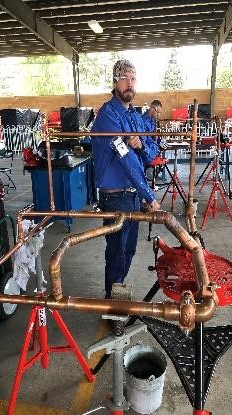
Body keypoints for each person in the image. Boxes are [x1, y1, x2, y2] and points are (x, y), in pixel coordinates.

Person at [91, 59, 160, 299]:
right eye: (124, 79)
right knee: (117, 253)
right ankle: (112, 302)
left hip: (132, 196)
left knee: (128, 251)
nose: (129, 84)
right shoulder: (107, 118)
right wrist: (149, 196)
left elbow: (152, 151)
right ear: (115, 82)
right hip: (116, 197)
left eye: (133, 79)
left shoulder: (135, 116)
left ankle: (117, 297)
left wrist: (141, 146)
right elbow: (126, 158)